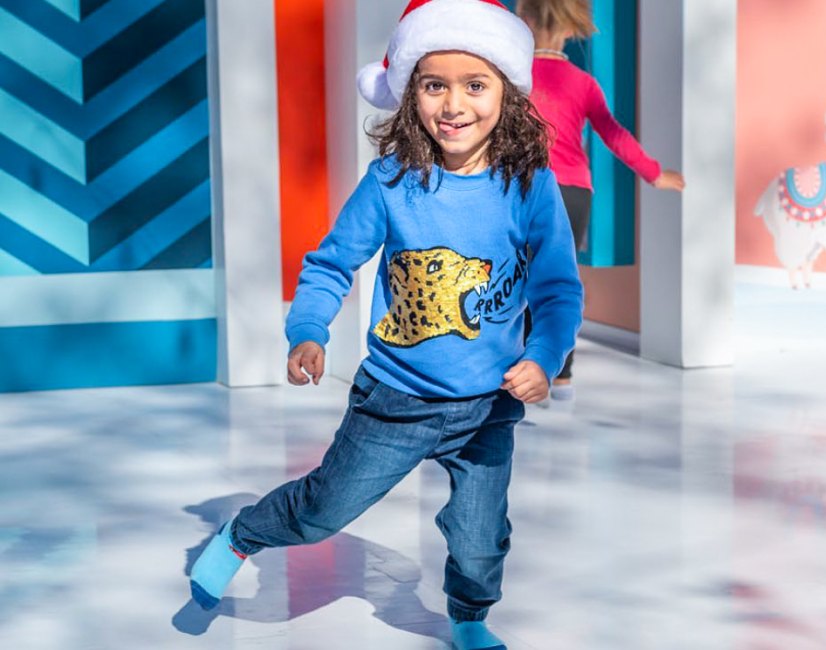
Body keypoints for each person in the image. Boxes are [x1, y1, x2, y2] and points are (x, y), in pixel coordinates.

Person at [187, 1, 583, 648]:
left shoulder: (530, 185)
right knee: (320, 512)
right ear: (409, 95)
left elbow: (557, 287)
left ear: (507, 95)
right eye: (435, 85)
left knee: (481, 538)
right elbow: (331, 263)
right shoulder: (391, 182)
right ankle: (243, 534)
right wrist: (308, 330)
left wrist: (543, 355)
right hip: (394, 400)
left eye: (474, 85)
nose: (454, 104)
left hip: (488, 405)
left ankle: (469, 617)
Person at [516, 0, 685, 401]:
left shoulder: (511, 78)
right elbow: (614, 135)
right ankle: (561, 374)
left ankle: (522, 367)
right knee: (559, 281)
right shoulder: (582, 82)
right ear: (572, 30)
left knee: (517, 277)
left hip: (521, 187)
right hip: (573, 192)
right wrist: (655, 173)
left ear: (523, 19)